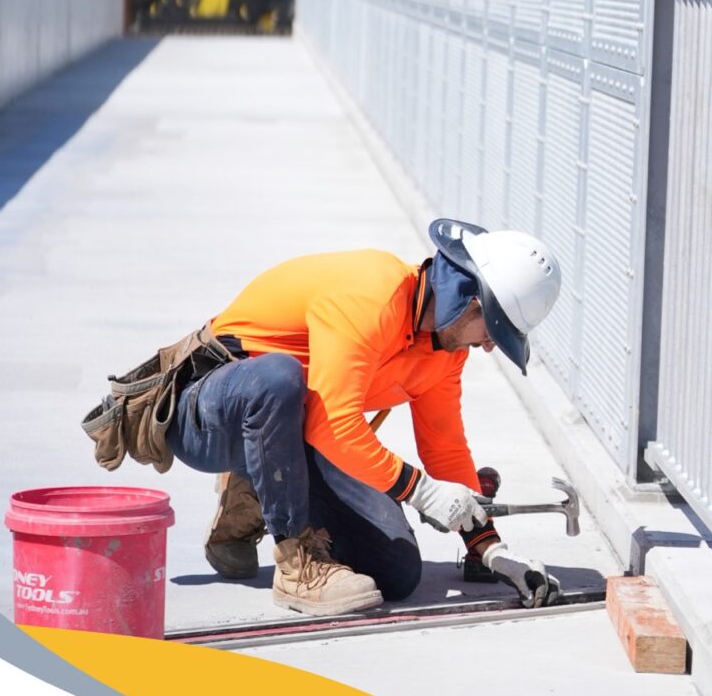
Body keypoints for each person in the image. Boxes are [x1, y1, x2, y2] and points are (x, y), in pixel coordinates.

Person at [167, 218, 564, 617]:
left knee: (397, 574)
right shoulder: (372, 295)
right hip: (209, 410)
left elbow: (445, 449)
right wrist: (423, 493)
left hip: (298, 431)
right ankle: (294, 565)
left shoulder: (446, 352)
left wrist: (494, 551)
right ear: (469, 302)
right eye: (492, 329)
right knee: (279, 378)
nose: (490, 346)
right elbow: (335, 425)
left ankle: (259, 480)